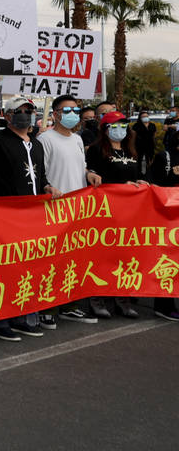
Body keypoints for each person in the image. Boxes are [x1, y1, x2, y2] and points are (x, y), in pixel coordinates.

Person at [0, 97, 63, 342]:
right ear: (8, 116)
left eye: (30, 111)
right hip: (8, 215)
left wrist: (47, 186)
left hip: (34, 215)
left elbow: (40, 176)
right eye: (20, 111)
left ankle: (24, 317)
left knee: (31, 267)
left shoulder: (36, 145)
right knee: (8, 268)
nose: (26, 115)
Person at [39, 94, 104, 323]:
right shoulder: (45, 139)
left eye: (75, 110)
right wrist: (48, 188)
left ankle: (69, 305)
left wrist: (89, 174)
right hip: (55, 210)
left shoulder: (77, 139)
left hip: (78, 209)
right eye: (67, 111)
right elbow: (40, 174)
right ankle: (48, 308)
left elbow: (81, 167)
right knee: (52, 261)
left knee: (72, 260)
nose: (72, 115)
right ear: (55, 114)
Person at [85, 111, 145, 320]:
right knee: (103, 257)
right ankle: (97, 299)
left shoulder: (130, 150)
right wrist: (122, 187)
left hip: (129, 213)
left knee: (126, 258)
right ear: (105, 128)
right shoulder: (96, 150)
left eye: (123, 125)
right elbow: (94, 183)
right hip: (106, 213)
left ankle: (123, 300)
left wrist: (141, 184)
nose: (120, 129)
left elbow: (135, 176)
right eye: (115, 125)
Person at [147, 116, 179, 321]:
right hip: (169, 220)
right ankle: (164, 304)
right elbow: (153, 186)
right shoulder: (165, 158)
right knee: (169, 261)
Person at [132, 108, 157, 174]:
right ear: (140, 118)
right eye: (143, 117)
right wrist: (133, 147)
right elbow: (133, 137)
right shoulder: (136, 126)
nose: (145, 118)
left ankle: (149, 174)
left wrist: (154, 145)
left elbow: (154, 136)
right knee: (139, 161)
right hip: (139, 146)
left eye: (146, 116)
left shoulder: (152, 125)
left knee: (150, 161)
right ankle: (139, 174)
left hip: (150, 146)